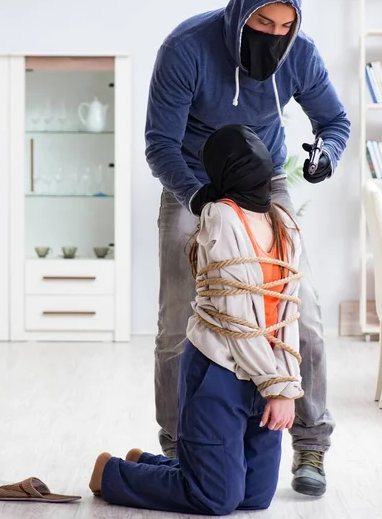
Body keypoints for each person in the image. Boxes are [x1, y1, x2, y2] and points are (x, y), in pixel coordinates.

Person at [144, 0, 350, 496]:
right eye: (264, 23)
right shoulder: (186, 48)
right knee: (176, 324)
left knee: (301, 317)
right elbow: (159, 144)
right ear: (241, 11)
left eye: (285, 26)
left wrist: (327, 152)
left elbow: (335, 121)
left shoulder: (299, 54)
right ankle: (177, 445)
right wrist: (200, 195)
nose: (274, 35)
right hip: (192, 182)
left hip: (265, 186)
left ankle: (310, 443)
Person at [89, 125, 303, 515]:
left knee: (254, 497)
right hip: (218, 371)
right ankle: (113, 473)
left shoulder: (284, 224)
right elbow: (237, 319)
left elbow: (289, 315)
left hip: (265, 372)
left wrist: (284, 386)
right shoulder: (221, 217)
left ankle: (149, 464)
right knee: (217, 499)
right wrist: (275, 386)